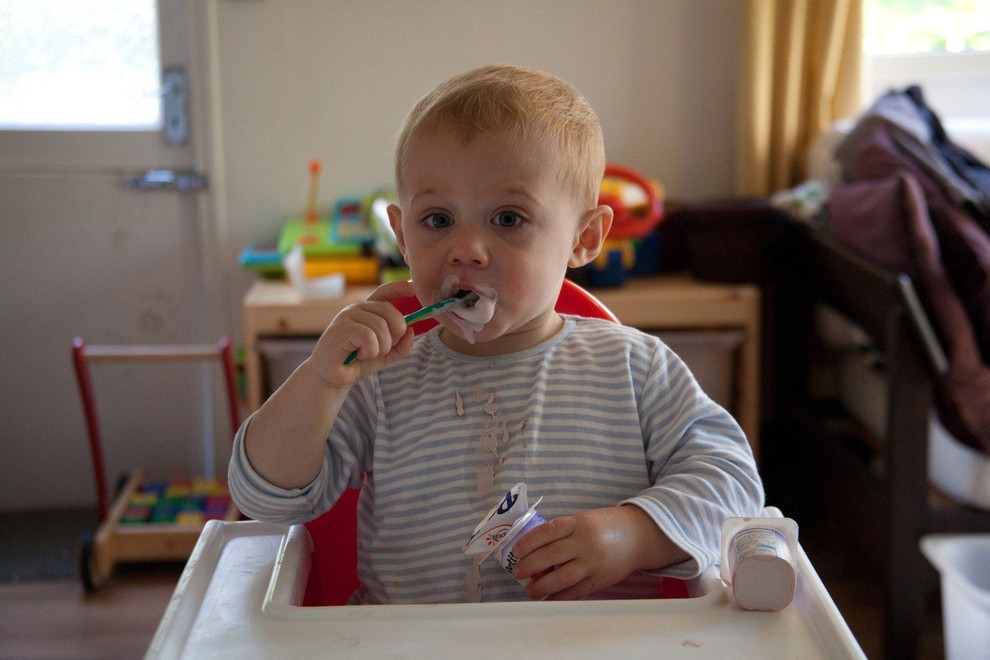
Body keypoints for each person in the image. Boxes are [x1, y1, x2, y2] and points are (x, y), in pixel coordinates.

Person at [229, 64, 764, 604]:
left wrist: (632, 535)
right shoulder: (381, 377)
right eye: (437, 220)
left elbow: (736, 487)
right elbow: (265, 496)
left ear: (584, 238)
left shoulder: (636, 370)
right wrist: (321, 382)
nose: (466, 248)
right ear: (402, 236)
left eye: (508, 219)